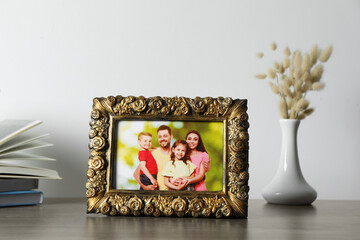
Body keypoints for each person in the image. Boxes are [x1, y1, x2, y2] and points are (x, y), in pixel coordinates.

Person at [133, 125, 173, 190]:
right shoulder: (152, 153)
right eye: (160, 137)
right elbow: (136, 174)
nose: (162, 139)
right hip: (155, 193)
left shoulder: (176, 155)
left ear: (171, 137)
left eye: (165, 136)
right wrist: (144, 187)